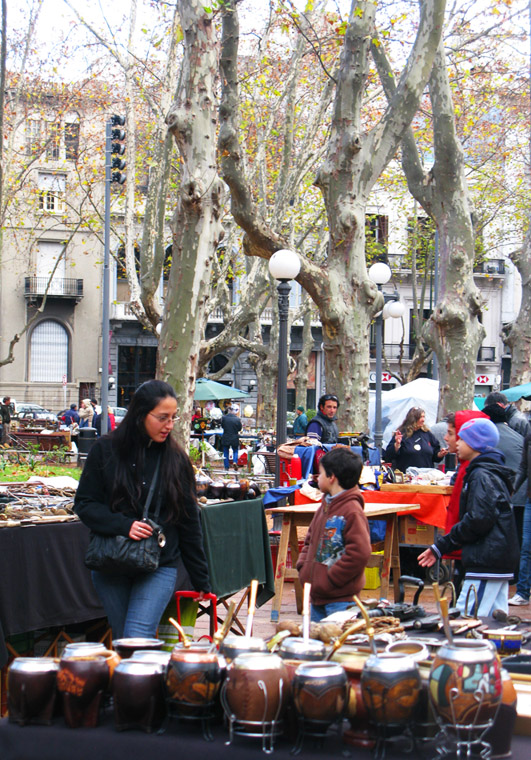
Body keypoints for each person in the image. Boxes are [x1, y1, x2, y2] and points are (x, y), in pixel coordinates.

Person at [74, 379, 211, 639]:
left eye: (173, 417)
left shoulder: (176, 459)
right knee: (123, 638)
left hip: (159, 564)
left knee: (137, 636)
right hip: (111, 561)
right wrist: (124, 525)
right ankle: (134, 680)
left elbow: (189, 521)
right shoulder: (105, 450)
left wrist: (201, 578)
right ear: (140, 414)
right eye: (162, 418)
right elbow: (85, 504)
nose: (169, 425)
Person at [418, 418, 519, 616]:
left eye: (462, 439)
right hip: (495, 558)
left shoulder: (481, 474)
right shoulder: (485, 471)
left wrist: (442, 545)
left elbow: (478, 519)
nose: (457, 443)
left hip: (486, 560)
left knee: (468, 619)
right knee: (495, 624)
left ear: (475, 444)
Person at [296, 447, 371, 622]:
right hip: (317, 597)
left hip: (341, 600)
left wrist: (332, 577)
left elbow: (359, 552)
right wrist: (304, 567)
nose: (317, 477)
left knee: (337, 644)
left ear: (332, 477)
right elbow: (309, 540)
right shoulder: (325, 506)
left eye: (320, 473)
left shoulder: (352, 511)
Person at [383, 407, 447, 471]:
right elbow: (389, 456)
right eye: (420, 417)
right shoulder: (402, 434)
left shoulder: (427, 434)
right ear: (413, 419)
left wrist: (440, 454)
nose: (423, 420)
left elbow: (435, 456)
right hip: (407, 476)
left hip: (425, 476)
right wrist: (397, 444)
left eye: (424, 417)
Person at [509, 430, 531, 605]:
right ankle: (523, 592)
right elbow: (524, 466)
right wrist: (513, 488)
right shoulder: (529, 437)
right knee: (526, 547)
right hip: (530, 499)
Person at [220, 404, 242, 470]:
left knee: (226, 452)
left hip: (226, 436)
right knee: (235, 450)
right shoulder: (237, 419)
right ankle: (235, 461)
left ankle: (226, 466)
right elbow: (239, 429)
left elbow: (222, 426)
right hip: (234, 437)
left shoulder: (224, 418)